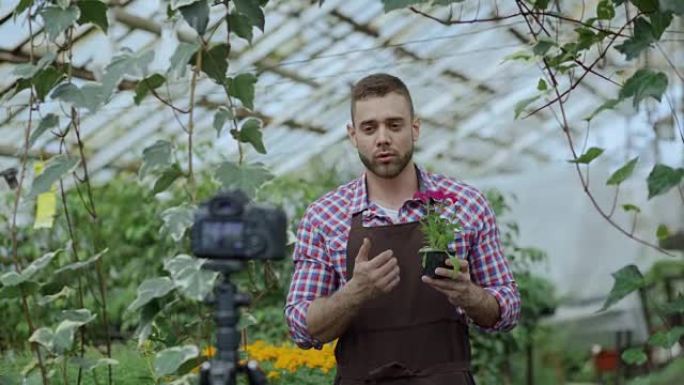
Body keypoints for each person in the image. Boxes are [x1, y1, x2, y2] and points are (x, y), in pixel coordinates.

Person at [284, 73, 520, 385]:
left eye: (394, 125)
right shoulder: (324, 216)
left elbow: (508, 308)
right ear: (353, 135)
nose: (382, 138)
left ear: (415, 128)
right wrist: (354, 293)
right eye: (369, 128)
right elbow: (300, 326)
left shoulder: (465, 204)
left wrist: (469, 294)